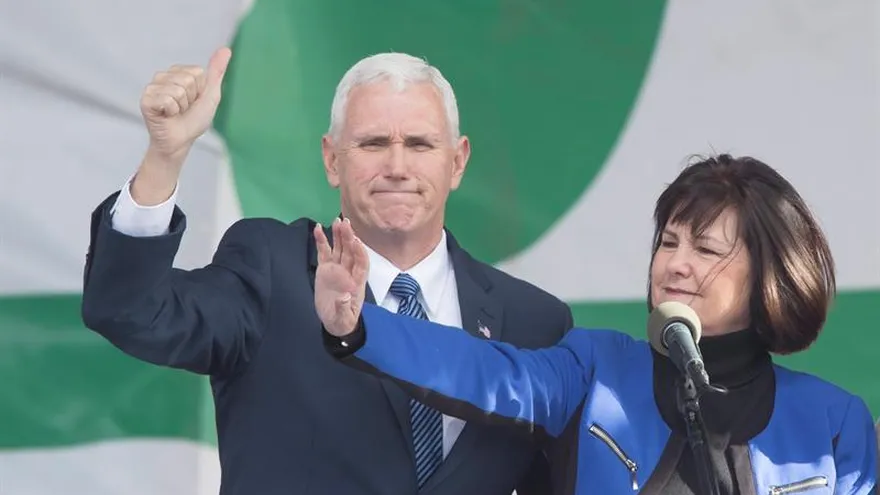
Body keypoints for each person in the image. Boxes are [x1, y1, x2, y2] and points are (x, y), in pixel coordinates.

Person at [80, 46, 573, 494]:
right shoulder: (272, 269)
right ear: (331, 160)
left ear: (458, 161)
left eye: (420, 144)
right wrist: (166, 156)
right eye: (373, 143)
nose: (397, 166)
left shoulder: (534, 322)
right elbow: (130, 311)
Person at [315, 154, 878, 495]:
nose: (675, 263)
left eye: (707, 249)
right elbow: (485, 372)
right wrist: (361, 326)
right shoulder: (596, 368)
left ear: (769, 277)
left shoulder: (833, 422)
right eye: (668, 242)